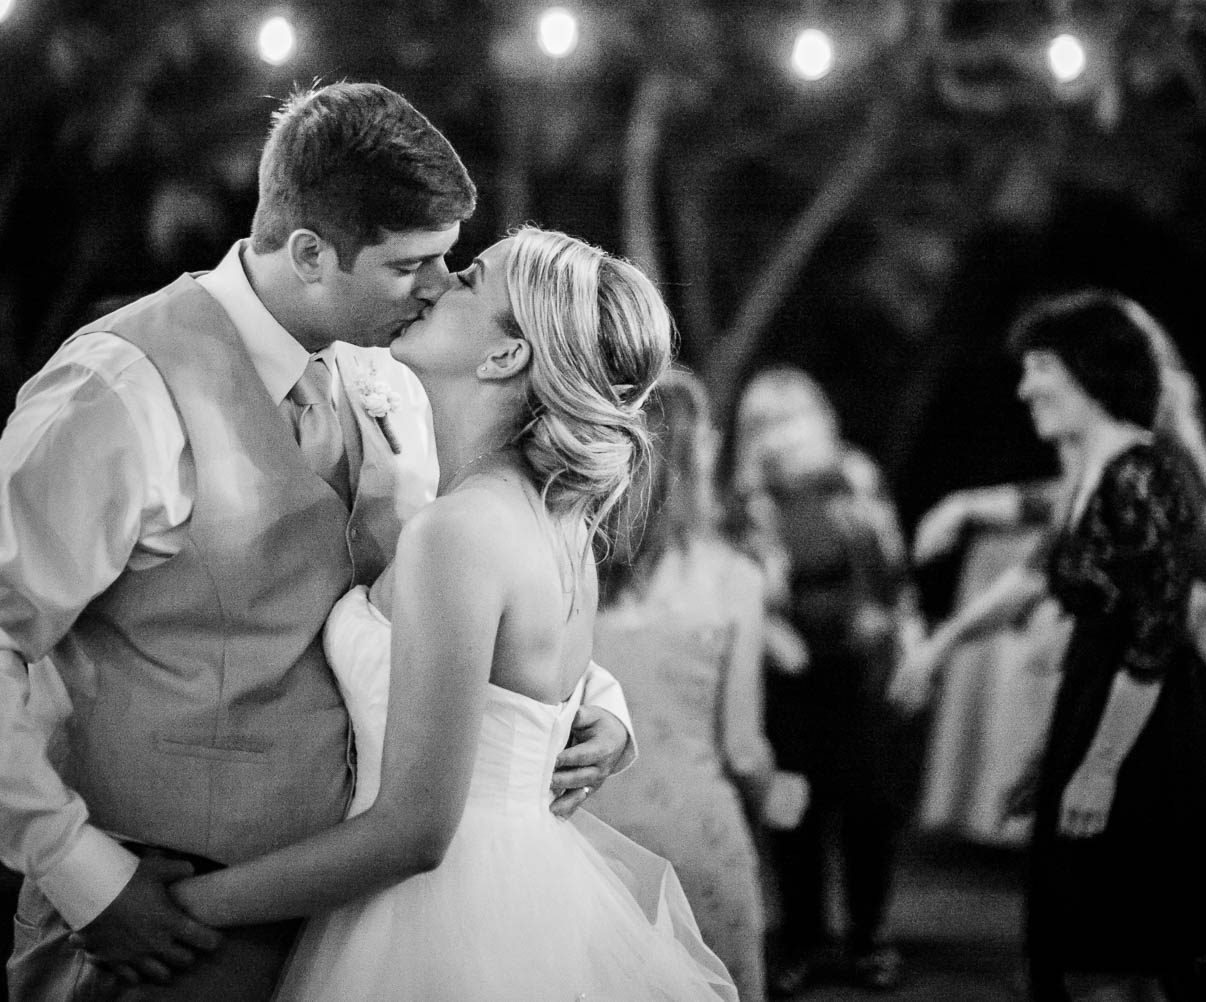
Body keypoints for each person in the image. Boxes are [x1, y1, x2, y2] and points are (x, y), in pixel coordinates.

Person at [0, 83, 639, 1002]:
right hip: (160, 916)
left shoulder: (388, 371)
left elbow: (445, 590)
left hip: (354, 914)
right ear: (313, 253)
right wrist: (82, 873)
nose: (440, 287)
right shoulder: (120, 389)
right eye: (413, 265)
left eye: (449, 262)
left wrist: (582, 708)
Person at [162, 227, 736, 999]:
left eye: (467, 278)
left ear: (505, 356)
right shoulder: (555, 521)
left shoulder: (460, 530)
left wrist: (181, 910)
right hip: (521, 897)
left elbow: (413, 834)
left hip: (435, 918)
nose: (435, 282)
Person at [998, 290, 1206, 1002]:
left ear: (1091, 368)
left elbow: (1154, 632)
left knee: (1123, 948)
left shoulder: (1141, 474)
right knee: (1075, 940)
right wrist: (1052, 755)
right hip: (1097, 699)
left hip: (1146, 728)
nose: (1026, 387)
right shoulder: (1093, 472)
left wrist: (1099, 766)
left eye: (1041, 366)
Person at [590, 367, 809, 1002]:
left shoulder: (576, 558)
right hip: (693, 834)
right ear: (695, 450)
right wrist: (776, 791)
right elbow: (742, 746)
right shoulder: (734, 577)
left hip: (587, 828)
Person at [724, 366, 924, 997]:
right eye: (768, 422)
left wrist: (902, 627)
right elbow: (734, 578)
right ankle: (802, 937)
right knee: (790, 804)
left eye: (795, 418)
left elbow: (890, 566)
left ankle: (867, 937)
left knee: (869, 803)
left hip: (855, 661)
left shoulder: (853, 478)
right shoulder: (744, 496)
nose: (784, 434)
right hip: (780, 668)